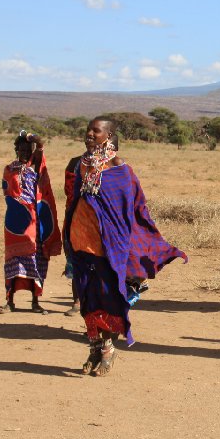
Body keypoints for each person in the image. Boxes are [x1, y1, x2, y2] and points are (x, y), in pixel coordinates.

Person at [65, 117, 186, 376]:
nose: (89, 134)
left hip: (109, 245)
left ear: (108, 136)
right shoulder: (81, 165)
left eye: (95, 131)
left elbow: (132, 209)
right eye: (88, 130)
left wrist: (130, 242)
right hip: (81, 243)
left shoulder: (120, 168)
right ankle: (95, 347)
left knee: (109, 298)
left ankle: (108, 347)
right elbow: (74, 202)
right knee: (86, 297)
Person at [0, 130, 62, 314]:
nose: (25, 152)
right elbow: (8, 193)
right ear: (16, 149)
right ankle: (9, 301)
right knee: (13, 261)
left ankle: (35, 302)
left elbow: (41, 144)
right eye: (21, 148)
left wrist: (31, 138)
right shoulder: (9, 169)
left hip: (37, 222)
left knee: (37, 260)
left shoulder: (36, 166)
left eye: (28, 149)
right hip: (15, 224)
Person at [62, 136, 119, 317]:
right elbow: (69, 192)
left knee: (101, 269)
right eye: (88, 134)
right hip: (77, 220)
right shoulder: (75, 163)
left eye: (95, 134)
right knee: (77, 263)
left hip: (102, 224)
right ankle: (77, 301)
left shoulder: (112, 164)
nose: (90, 138)